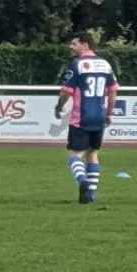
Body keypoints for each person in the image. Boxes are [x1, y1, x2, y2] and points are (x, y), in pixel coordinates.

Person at [53, 32, 119, 204]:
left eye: (74, 44)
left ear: (85, 45)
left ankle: (82, 180)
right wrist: (110, 113)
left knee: (74, 155)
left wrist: (59, 106)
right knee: (93, 153)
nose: (71, 47)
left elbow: (66, 92)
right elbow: (113, 91)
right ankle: (90, 195)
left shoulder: (77, 65)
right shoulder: (105, 64)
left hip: (81, 117)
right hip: (99, 117)